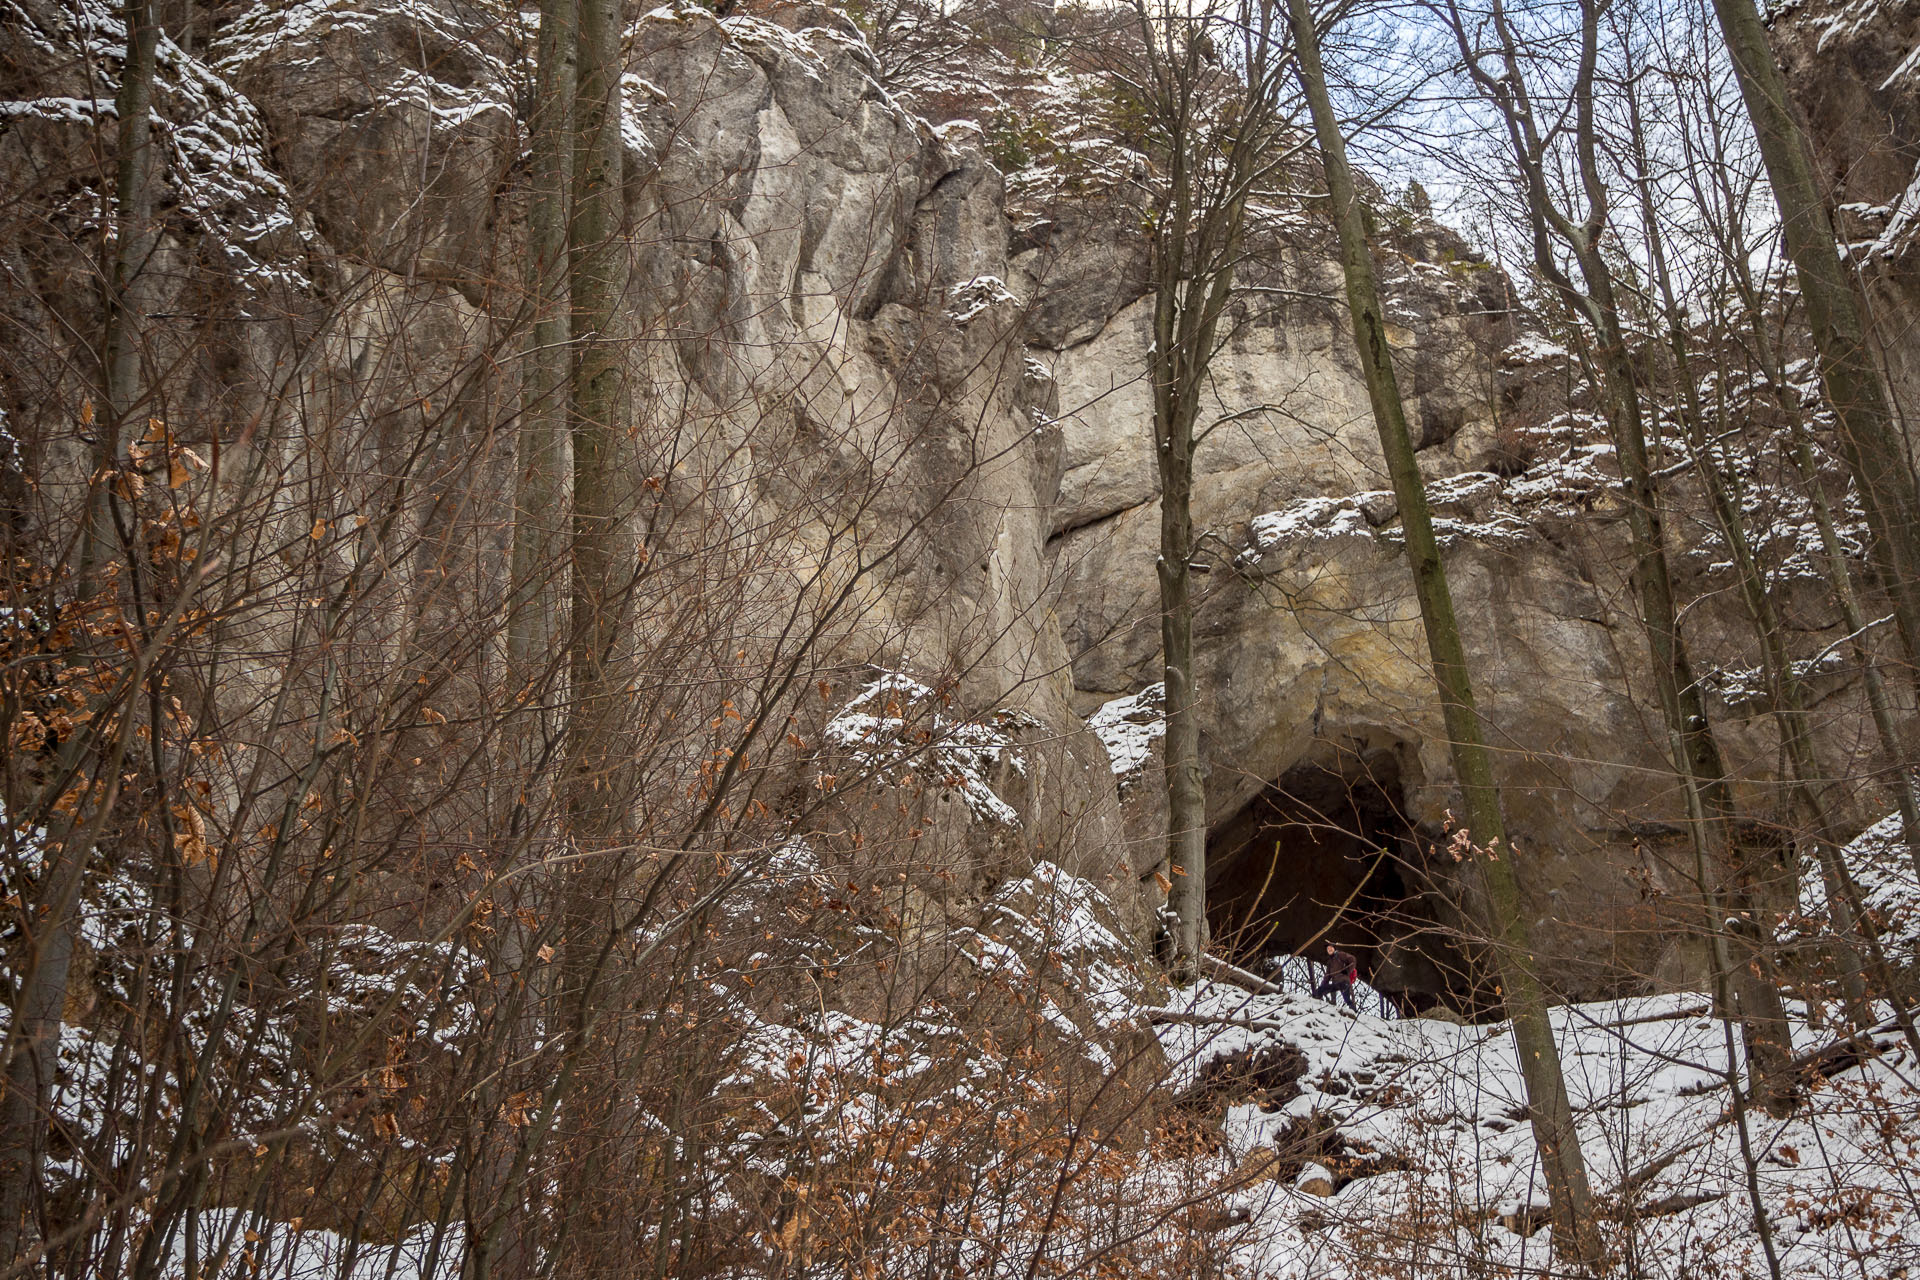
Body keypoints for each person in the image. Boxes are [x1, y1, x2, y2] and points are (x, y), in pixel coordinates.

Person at [1313, 943, 1359, 1011]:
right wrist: (1323, 985)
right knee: (1321, 990)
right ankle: (1314, 1003)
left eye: (1331, 948)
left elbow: (1353, 959)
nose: (1329, 950)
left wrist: (1347, 971)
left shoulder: (1340, 955)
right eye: (1328, 949)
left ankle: (1354, 1012)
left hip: (1344, 981)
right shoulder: (1330, 962)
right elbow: (1327, 976)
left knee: (1347, 999)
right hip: (1336, 983)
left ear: (1334, 948)